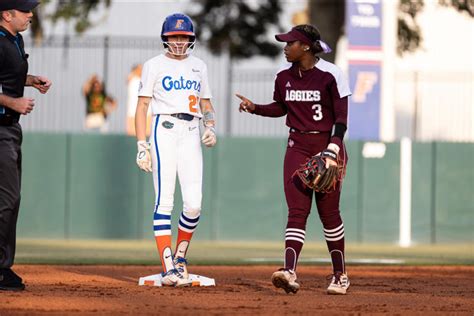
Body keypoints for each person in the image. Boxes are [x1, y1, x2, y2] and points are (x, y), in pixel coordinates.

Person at [236, 24, 351, 295]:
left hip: (327, 147)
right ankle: (289, 271)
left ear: (306, 47)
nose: (285, 48)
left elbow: (342, 117)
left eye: (291, 44)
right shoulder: (283, 76)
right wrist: (255, 108)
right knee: (297, 212)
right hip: (297, 145)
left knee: (329, 215)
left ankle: (340, 275)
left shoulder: (331, 74)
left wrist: (333, 148)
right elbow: (281, 107)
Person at [134, 13, 217, 287]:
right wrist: (141, 144)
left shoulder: (199, 66)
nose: (179, 41)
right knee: (165, 200)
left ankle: (180, 259)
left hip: (192, 129)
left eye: (183, 37)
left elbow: (206, 103)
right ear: (165, 39)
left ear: (191, 39)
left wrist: (211, 125)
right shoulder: (153, 65)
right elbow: (143, 106)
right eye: (174, 37)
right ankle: (168, 267)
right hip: (164, 128)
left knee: (194, 203)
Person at [0, 0, 52, 291]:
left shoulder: (14, 40)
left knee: (11, 199)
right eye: (25, 10)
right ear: (7, 14)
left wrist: (31, 81)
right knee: (6, 199)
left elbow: (8, 78)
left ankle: (4, 268)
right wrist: (14, 101)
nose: (31, 14)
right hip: (0, 130)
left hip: (11, 129)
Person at [125, 64, 152, 136]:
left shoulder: (144, 80)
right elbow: (128, 79)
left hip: (146, 111)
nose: (141, 71)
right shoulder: (133, 80)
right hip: (133, 112)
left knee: (147, 134)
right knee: (132, 134)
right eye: (139, 69)